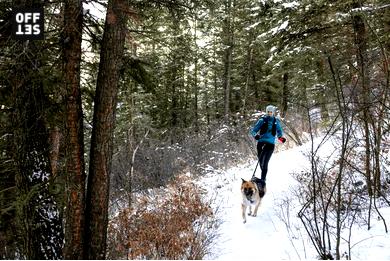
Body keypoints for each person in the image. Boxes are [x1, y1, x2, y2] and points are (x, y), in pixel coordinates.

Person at [250, 104, 286, 187]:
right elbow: (253, 130)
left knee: (265, 162)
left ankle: (263, 180)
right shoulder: (262, 120)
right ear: (266, 112)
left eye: (271, 112)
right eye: (268, 112)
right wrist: (256, 135)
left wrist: (281, 138)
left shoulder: (276, 121)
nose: (270, 113)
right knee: (261, 162)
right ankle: (262, 179)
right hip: (261, 143)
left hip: (270, 144)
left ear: (273, 112)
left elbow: (279, 131)